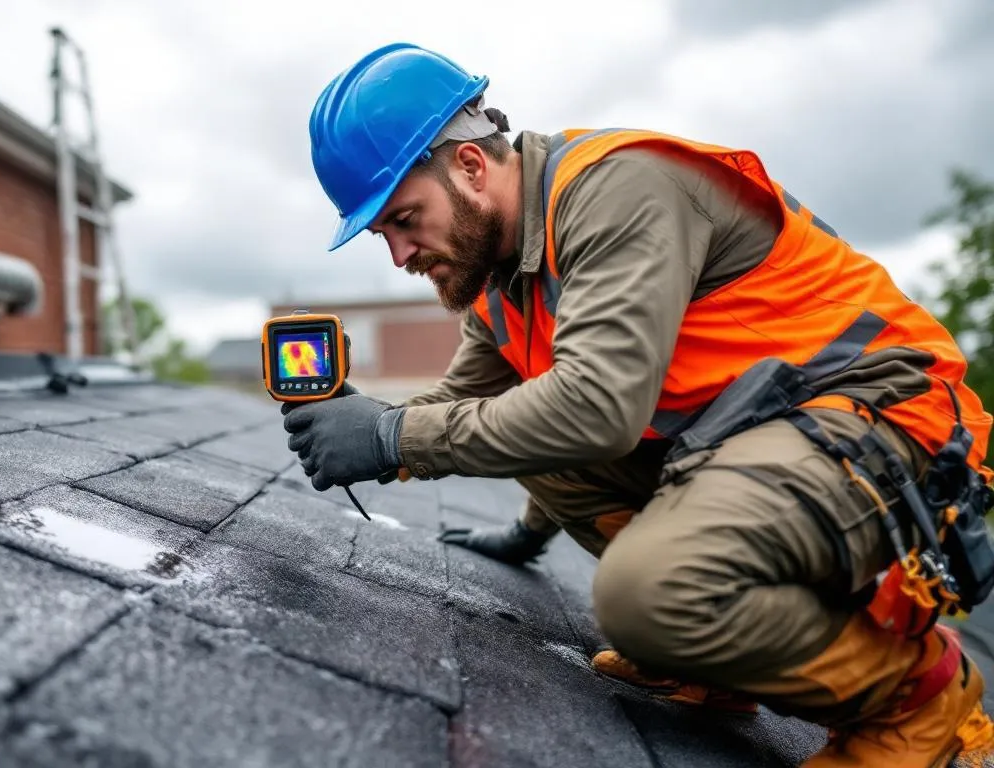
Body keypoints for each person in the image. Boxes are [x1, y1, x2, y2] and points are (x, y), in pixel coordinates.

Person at [285, 42, 994, 767]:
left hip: (882, 410)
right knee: (523, 435)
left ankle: (918, 694)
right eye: (384, 236)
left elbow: (593, 409)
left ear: (469, 166)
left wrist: (391, 436)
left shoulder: (615, 191)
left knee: (647, 594)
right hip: (762, 429)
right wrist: (364, 425)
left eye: (405, 218)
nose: (401, 255)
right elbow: (464, 409)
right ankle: (712, 663)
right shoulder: (501, 276)